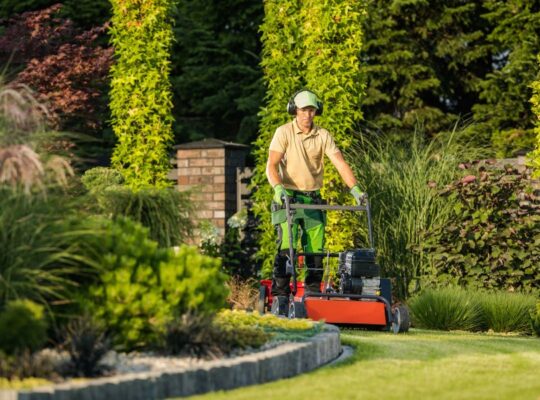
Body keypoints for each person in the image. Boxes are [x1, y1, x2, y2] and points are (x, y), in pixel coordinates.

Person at [266, 89, 365, 315]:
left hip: (313, 201)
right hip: (288, 198)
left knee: (316, 251)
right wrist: (278, 188)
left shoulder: (323, 135)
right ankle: (281, 297)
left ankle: (312, 295)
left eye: (311, 110)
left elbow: (340, 163)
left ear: (315, 112)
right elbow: (271, 165)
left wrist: (355, 189)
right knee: (286, 248)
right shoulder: (283, 132)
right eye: (303, 110)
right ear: (295, 110)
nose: (307, 115)